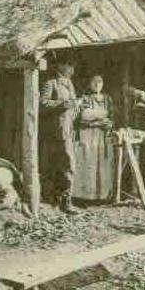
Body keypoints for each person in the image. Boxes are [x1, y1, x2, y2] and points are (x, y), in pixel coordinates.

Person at [40, 61, 81, 215]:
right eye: (69, 65)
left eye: (72, 66)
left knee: (68, 165)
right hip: (55, 132)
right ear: (60, 67)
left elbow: (73, 106)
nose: (72, 69)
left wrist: (76, 107)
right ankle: (52, 201)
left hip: (68, 130)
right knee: (60, 165)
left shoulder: (70, 84)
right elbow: (43, 103)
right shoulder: (51, 83)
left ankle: (65, 201)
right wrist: (64, 104)